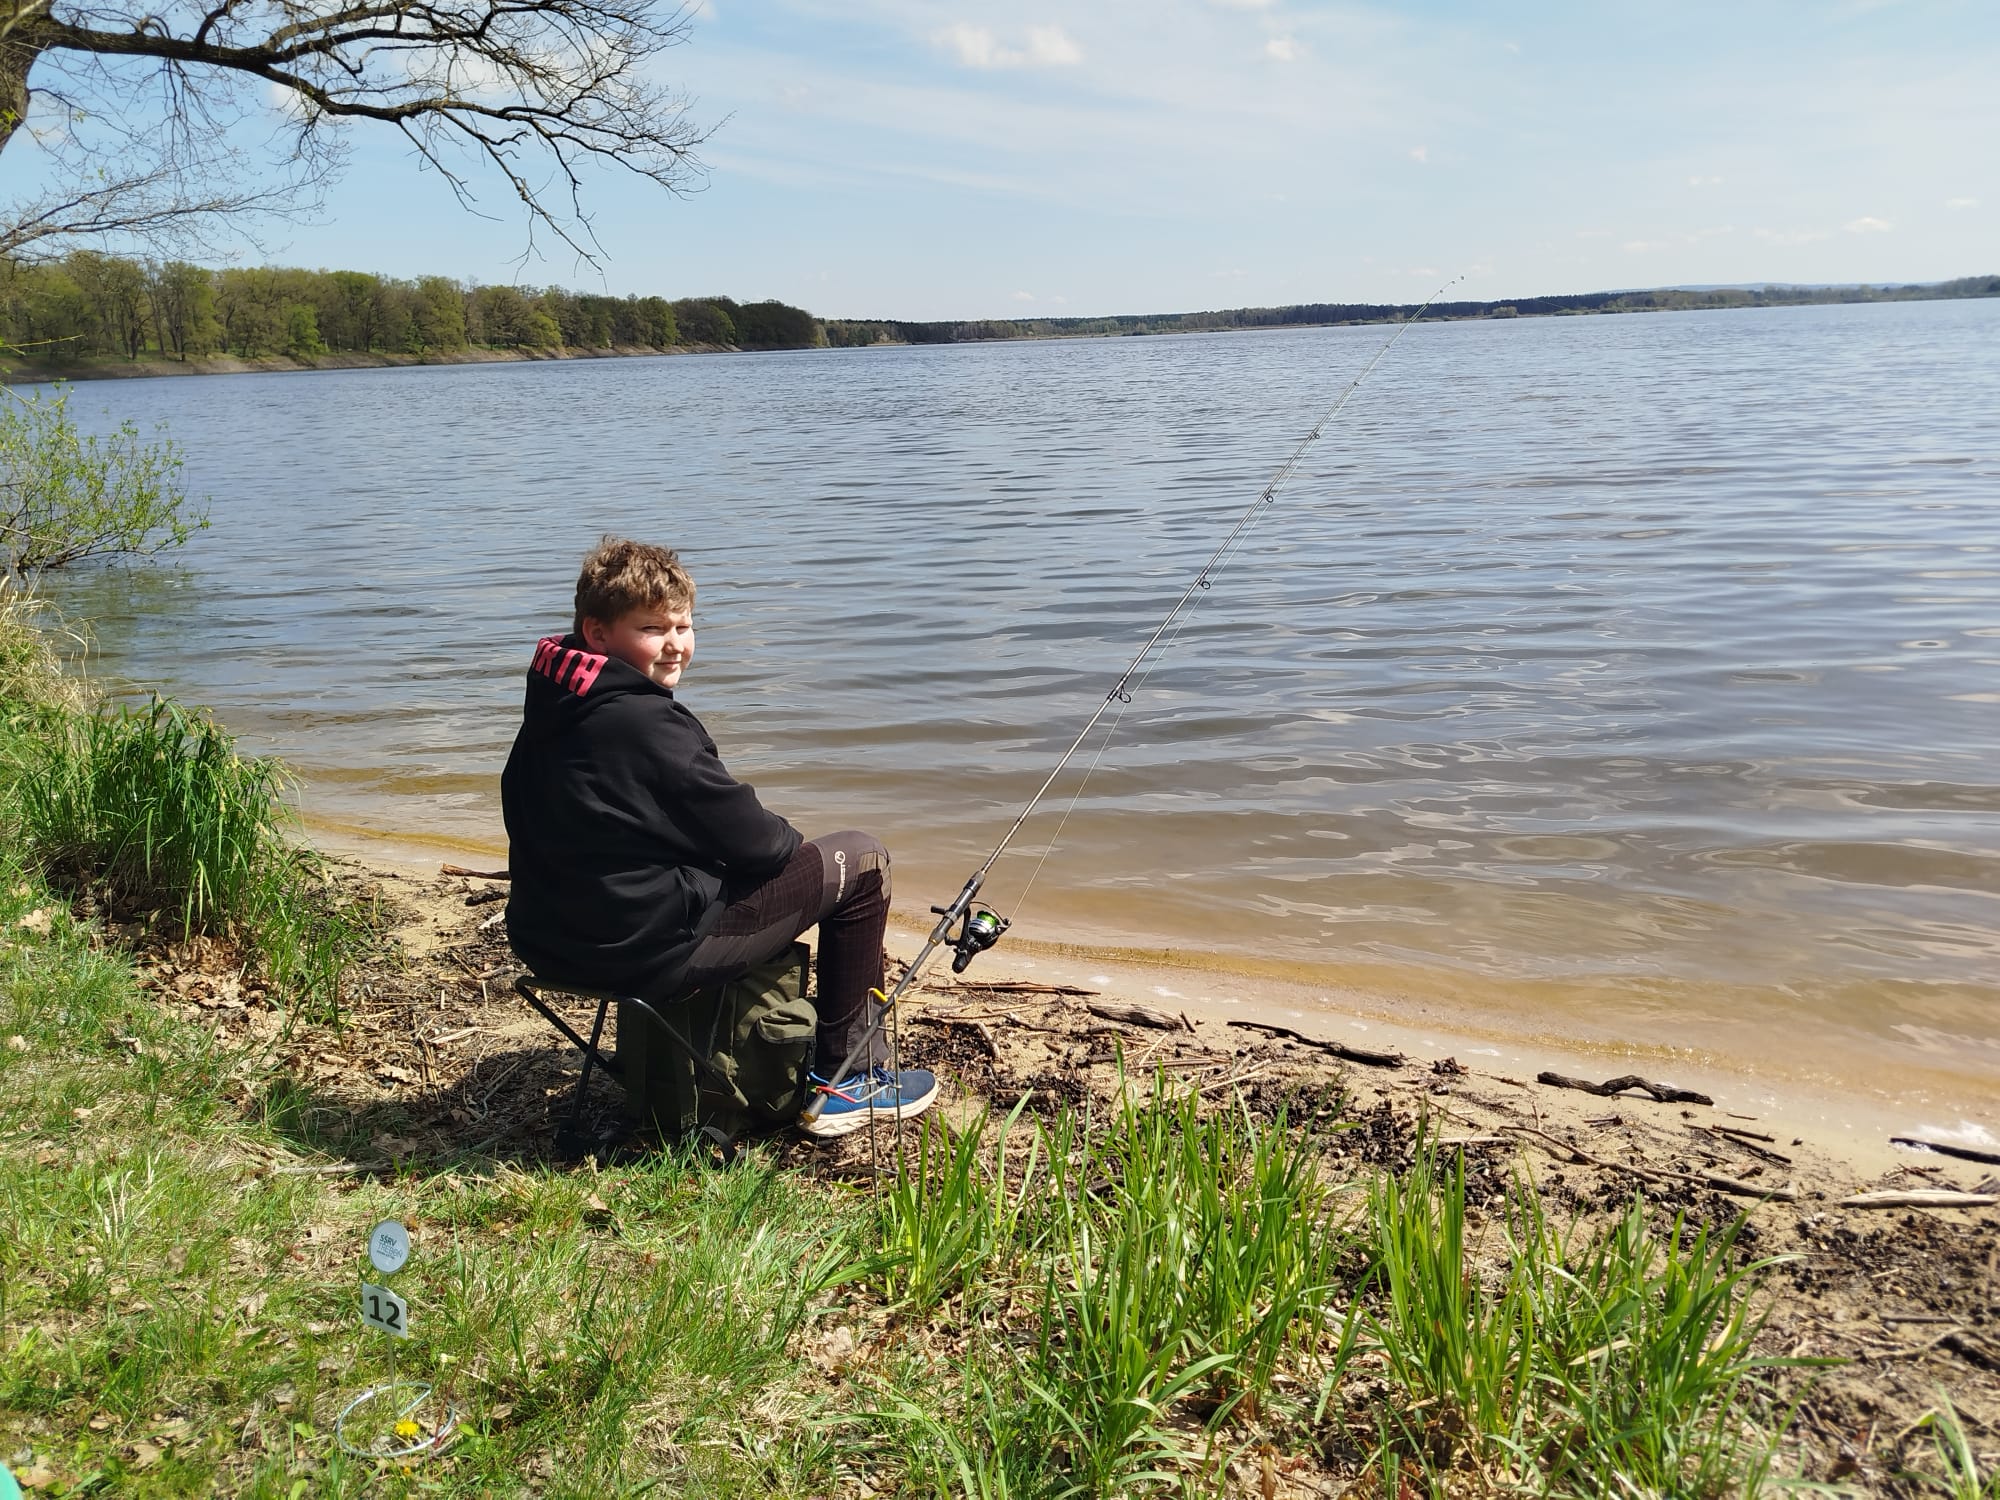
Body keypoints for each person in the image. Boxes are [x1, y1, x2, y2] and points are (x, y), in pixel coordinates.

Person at [500, 536, 936, 1138]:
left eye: (684, 625)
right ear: (597, 633)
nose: (675, 644)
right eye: (652, 628)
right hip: (643, 953)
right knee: (862, 860)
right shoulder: (647, 722)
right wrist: (787, 854)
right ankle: (849, 1078)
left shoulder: (556, 704)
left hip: (551, 943)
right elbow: (764, 845)